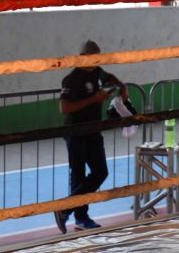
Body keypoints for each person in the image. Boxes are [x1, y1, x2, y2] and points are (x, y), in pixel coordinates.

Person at [54, 40, 129, 233]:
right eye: (94, 57)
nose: (97, 60)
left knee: (101, 172)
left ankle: (67, 208)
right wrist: (93, 100)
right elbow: (64, 108)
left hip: (93, 131)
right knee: (78, 175)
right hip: (76, 132)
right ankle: (80, 216)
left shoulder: (98, 72)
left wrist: (122, 86)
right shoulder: (72, 79)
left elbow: (109, 77)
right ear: (83, 57)